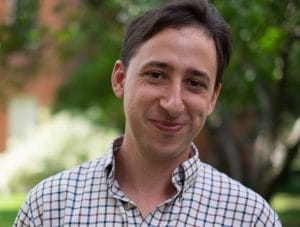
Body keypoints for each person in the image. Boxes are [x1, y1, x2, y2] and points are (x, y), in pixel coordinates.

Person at [14, 0, 281, 226]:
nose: (173, 103)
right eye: (156, 75)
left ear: (212, 98)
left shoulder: (250, 218)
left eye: (195, 83)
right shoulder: (48, 209)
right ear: (120, 79)